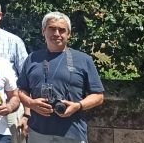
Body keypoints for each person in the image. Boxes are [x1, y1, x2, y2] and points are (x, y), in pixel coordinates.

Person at [17, 12, 105, 143]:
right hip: (38, 132)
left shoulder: (83, 60)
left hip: (72, 132)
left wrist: (78, 105)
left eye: (62, 30)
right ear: (43, 31)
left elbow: (98, 96)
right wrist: (31, 104)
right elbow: (21, 90)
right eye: (52, 28)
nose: (56, 33)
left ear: (68, 34)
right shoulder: (32, 58)